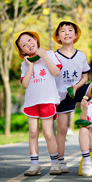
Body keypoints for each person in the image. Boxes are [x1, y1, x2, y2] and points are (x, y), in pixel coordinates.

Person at [14, 31, 62, 176]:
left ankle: (55, 163)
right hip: (32, 102)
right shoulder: (24, 64)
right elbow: (25, 84)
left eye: (29, 40)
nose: (29, 44)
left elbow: (56, 72)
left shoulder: (51, 54)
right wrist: (29, 66)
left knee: (48, 133)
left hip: (47, 100)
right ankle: (34, 165)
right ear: (22, 51)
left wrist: (44, 56)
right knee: (33, 132)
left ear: (35, 39)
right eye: (24, 45)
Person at [52, 20, 92, 173]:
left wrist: (76, 86)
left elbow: (85, 77)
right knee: (62, 129)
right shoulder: (54, 56)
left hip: (78, 89)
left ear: (76, 35)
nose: (66, 32)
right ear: (58, 36)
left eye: (70, 30)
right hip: (62, 94)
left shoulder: (81, 55)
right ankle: (60, 161)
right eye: (62, 30)